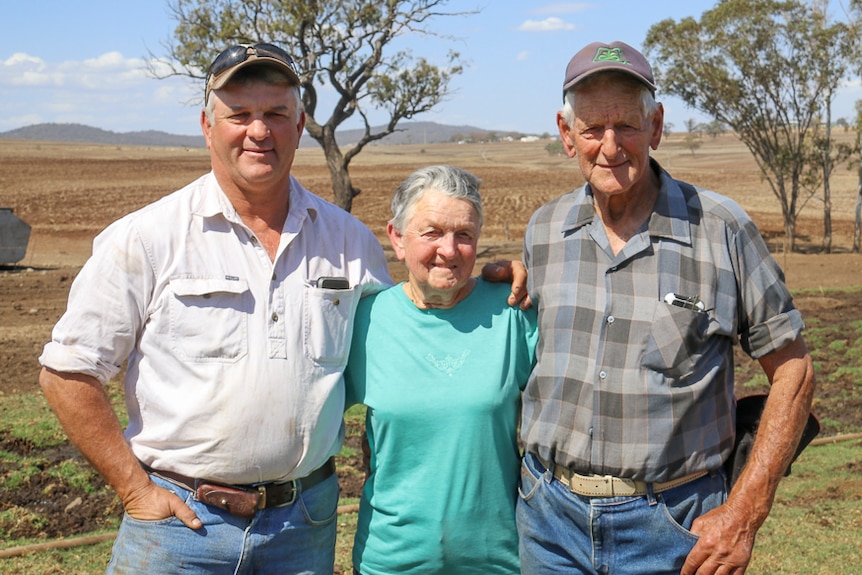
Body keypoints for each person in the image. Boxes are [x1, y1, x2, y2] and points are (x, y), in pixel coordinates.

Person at [37, 43, 392, 574]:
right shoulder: (147, 238)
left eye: (276, 114)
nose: (259, 131)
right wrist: (136, 492)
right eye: (239, 115)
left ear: (299, 127)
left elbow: (403, 341)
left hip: (305, 523)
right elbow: (66, 373)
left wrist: (491, 287)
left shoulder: (350, 242)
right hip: (181, 528)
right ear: (207, 126)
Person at [516, 40, 816, 575]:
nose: (611, 146)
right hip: (549, 521)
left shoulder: (721, 229)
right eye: (592, 129)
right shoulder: (544, 230)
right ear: (567, 136)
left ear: (655, 127)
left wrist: (745, 513)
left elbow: (794, 372)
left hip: (675, 528)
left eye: (627, 126)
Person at [344, 165, 538, 575]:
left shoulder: (512, 311)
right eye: (431, 232)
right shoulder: (365, 319)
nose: (449, 250)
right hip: (390, 560)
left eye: (464, 235)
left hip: (497, 560)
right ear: (396, 238)